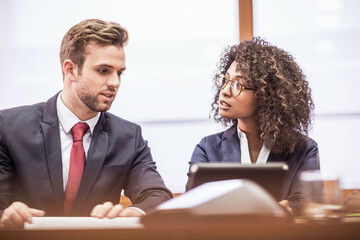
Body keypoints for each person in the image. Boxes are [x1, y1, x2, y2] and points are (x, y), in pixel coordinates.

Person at [0, 19, 172, 229]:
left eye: (119, 72)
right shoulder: (8, 128)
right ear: (71, 70)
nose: (115, 83)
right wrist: (5, 215)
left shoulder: (128, 137)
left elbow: (158, 195)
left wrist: (131, 213)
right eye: (103, 71)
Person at [186, 37, 319, 216]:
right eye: (225, 80)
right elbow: (192, 210)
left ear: (266, 95)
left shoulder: (304, 149)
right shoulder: (208, 148)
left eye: (237, 85)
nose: (224, 90)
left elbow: (305, 210)